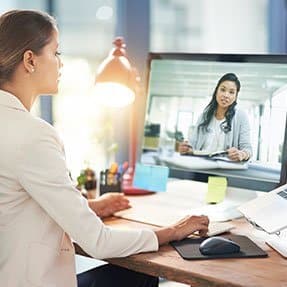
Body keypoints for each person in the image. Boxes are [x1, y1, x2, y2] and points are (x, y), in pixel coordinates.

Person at [0, 10, 209, 287]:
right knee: (140, 276)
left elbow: (16, 204)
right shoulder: (33, 135)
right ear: (30, 60)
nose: (61, 65)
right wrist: (174, 231)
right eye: (56, 53)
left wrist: (88, 207)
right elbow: (99, 242)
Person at [179, 73, 252, 162]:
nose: (226, 95)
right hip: (201, 165)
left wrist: (241, 154)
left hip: (225, 169)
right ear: (216, 90)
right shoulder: (204, 116)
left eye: (231, 92)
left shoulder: (241, 116)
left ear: (235, 96)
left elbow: (248, 149)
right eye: (223, 90)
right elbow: (192, 145)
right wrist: (186, 149)